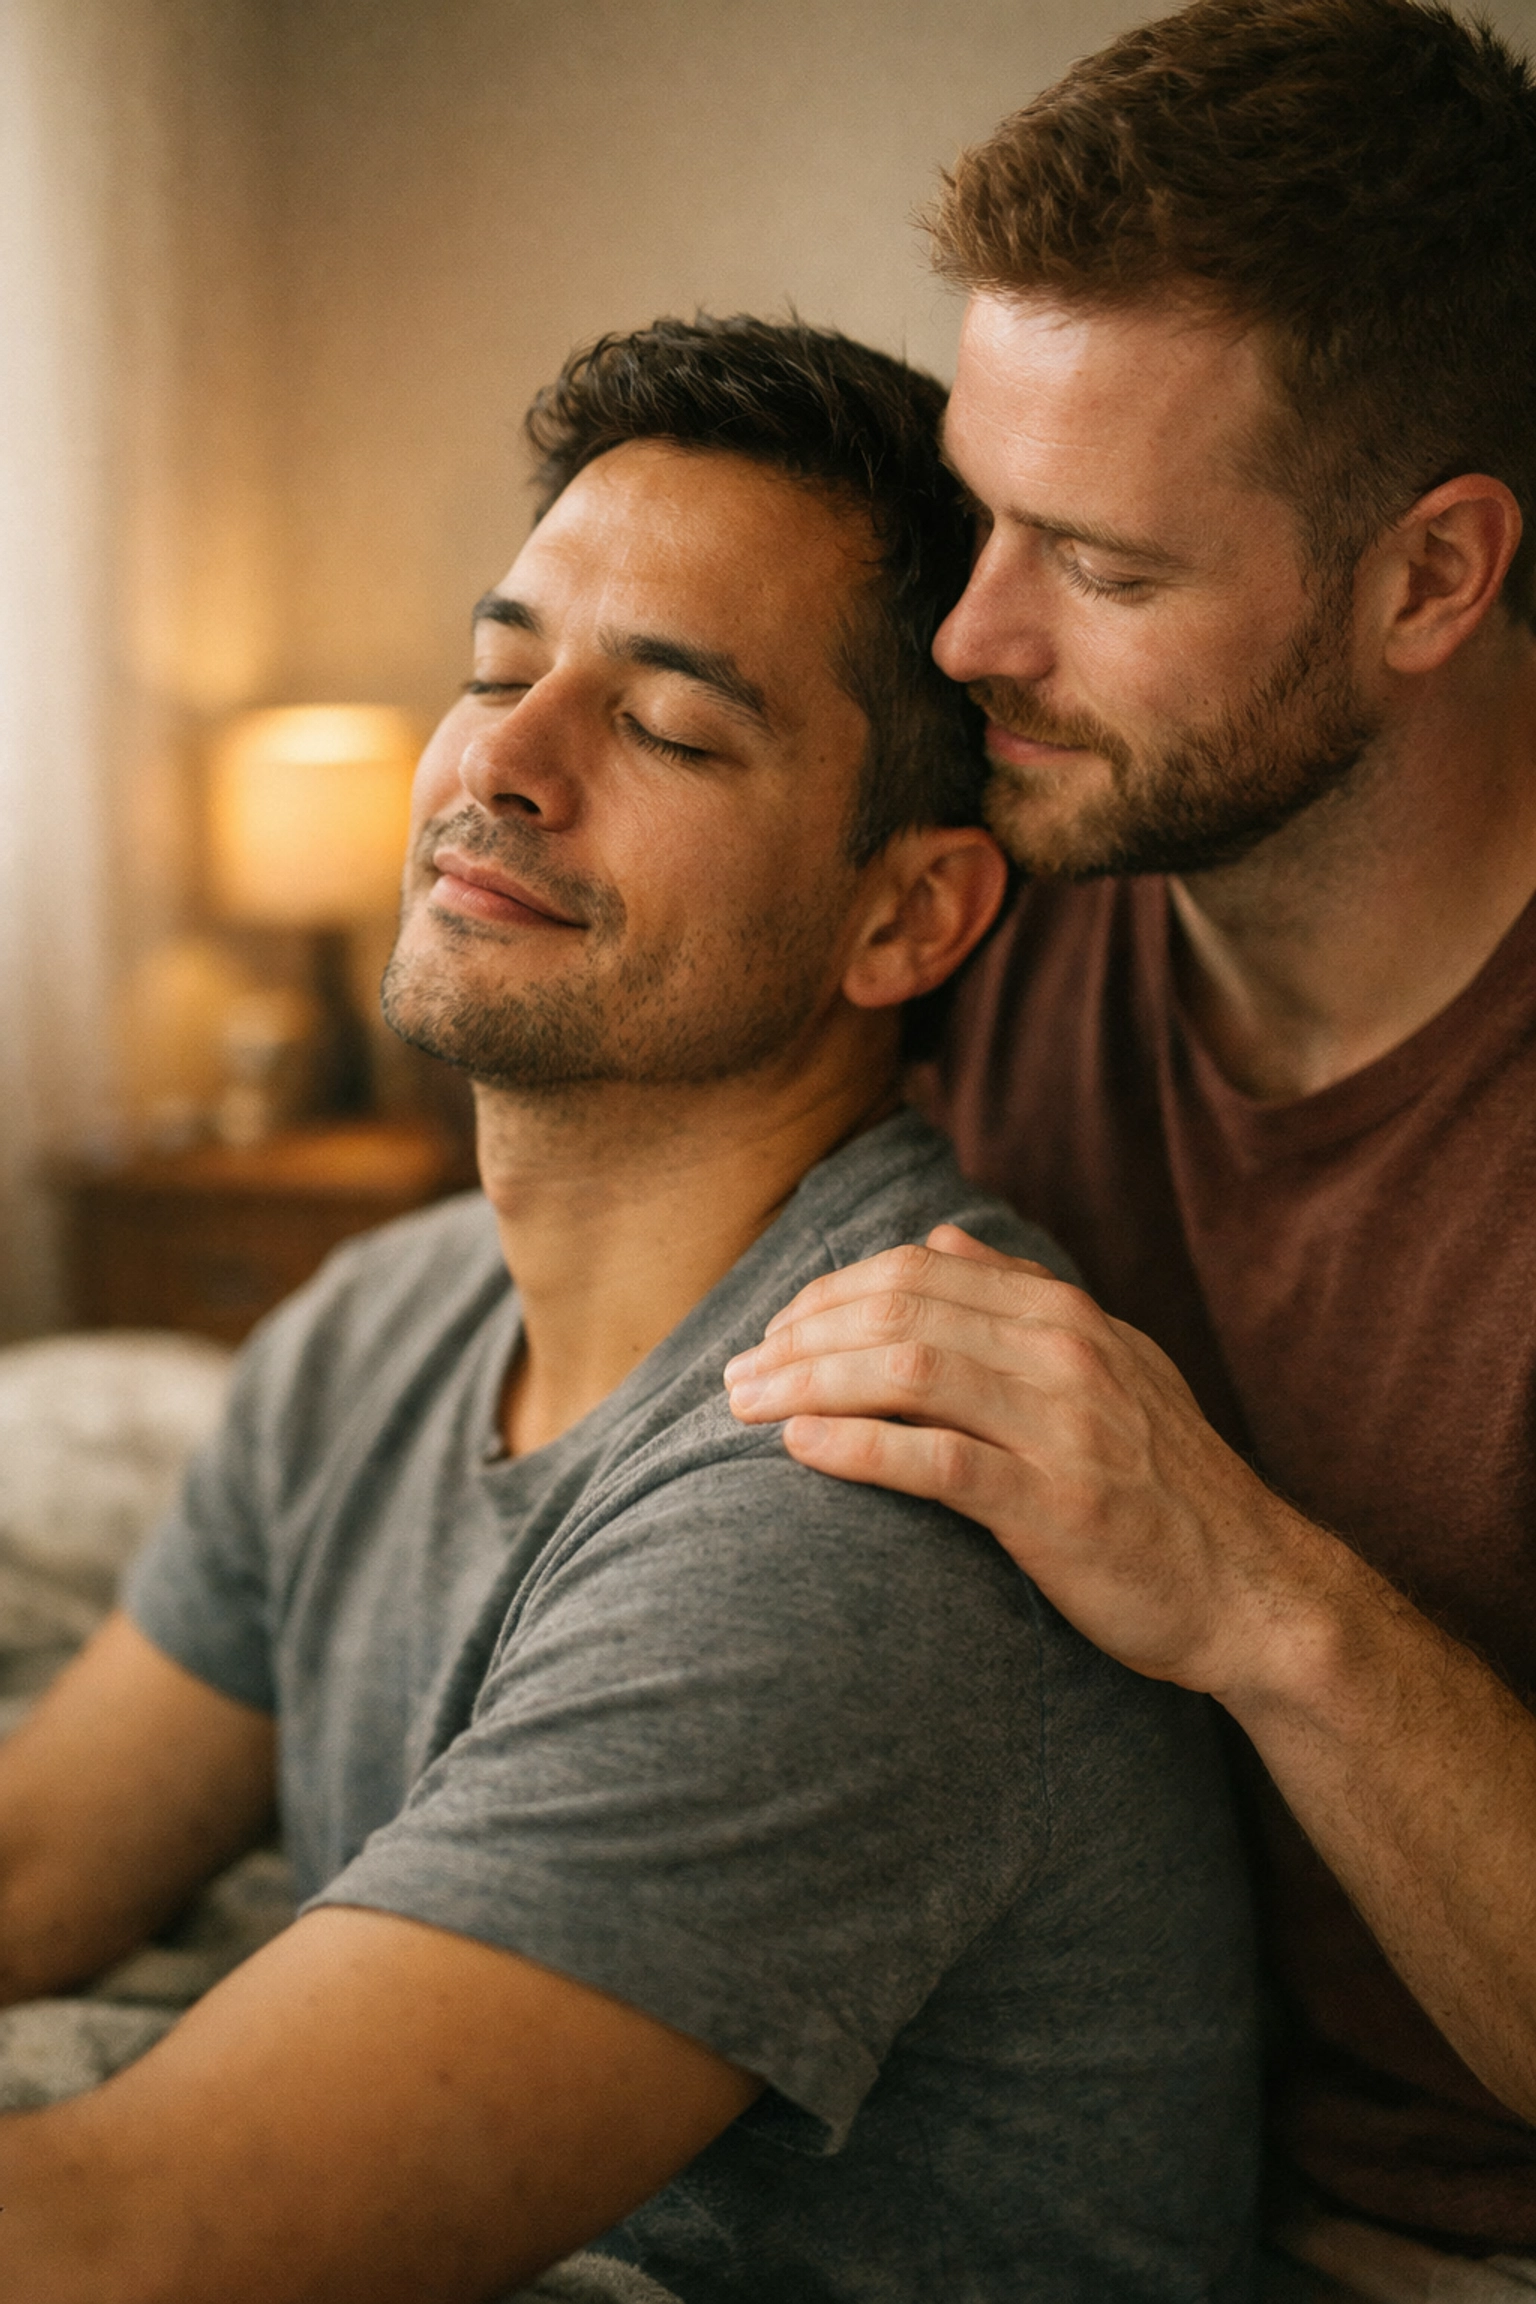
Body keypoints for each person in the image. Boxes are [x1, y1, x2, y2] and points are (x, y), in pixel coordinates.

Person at [0, 318, 1256, 2303]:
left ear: (907, 915)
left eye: (670, 727)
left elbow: (124, 2249)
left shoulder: (864, 1485)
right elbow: (41, 1862)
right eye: (499, 672)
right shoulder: (387, 1315)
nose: (499, 764)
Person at [723, 2, 1536, 2295]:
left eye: (1103, 566)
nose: (974, 636)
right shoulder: (1006, 884)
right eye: (980, 511)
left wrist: (1255, 1594)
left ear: (1430, 578)